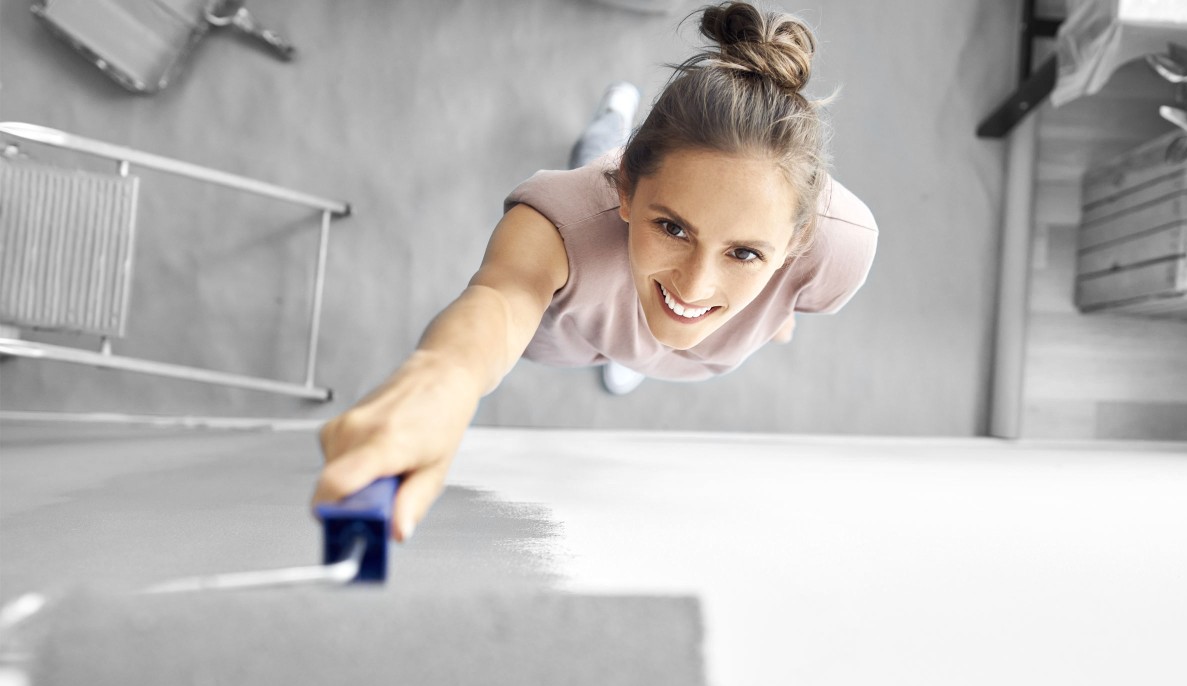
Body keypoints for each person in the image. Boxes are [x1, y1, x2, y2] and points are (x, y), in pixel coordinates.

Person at [311, 1, 878, 541]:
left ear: (796, 244)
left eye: (746, 254)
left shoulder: (839, 249)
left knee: (661, 323)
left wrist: (780, 312)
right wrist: (445, 378)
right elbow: (504, 299)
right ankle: (611, 125)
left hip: (662, 325)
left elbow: (790, 288)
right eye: (673, 228)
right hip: (578, 323)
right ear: (629, 192)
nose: (694, 284)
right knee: (598, 157)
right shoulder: (566, 220)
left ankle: (640, 336)